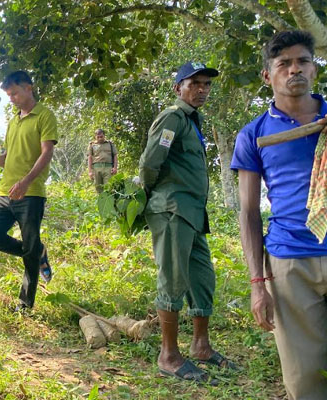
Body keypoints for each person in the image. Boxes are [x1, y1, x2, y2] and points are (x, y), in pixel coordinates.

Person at [232, 30, 327, 399]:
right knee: (305, 379)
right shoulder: (255, 134)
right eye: (284, 64)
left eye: (303, 61)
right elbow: (247, 212)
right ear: (267, 75)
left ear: (314, 70)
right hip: (289, 263)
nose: (295, 70)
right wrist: (258, 284)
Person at [139, 61, 234, 384]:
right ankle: (168, 355)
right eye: (194, 84)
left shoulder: (194, 121)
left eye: (206, 85)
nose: (202, 90)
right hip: (172, 209)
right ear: (178, 87)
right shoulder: (173, 118)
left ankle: (201, 346)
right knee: (173, 279)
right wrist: (155, 199)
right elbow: (150, 163)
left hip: (192, 213)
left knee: (202, 277)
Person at [0, 70, 57, 312]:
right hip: (5, 193)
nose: (11, 98)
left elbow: (46, 153)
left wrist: (26, 182)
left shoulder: (45, 116)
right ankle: (36, 251)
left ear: (28, 88)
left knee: (29, 246)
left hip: (31, 194)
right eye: (8, 95)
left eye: (14, 93)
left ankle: (25, 304)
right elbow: (8, 159)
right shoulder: (13, 121)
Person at [87, 129, 118, 193]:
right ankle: (101, 201)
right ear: (95, 137)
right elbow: (89, 157)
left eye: (101, 137)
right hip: (96, 168)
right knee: (98, 188)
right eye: (98, 137)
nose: (100, 138)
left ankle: (110, 202)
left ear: (104, 136)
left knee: (109, 187)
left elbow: (115, 156)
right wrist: (90, 171)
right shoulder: (92, 145)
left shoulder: (110, 144)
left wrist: (115, 168)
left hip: (108, 167)